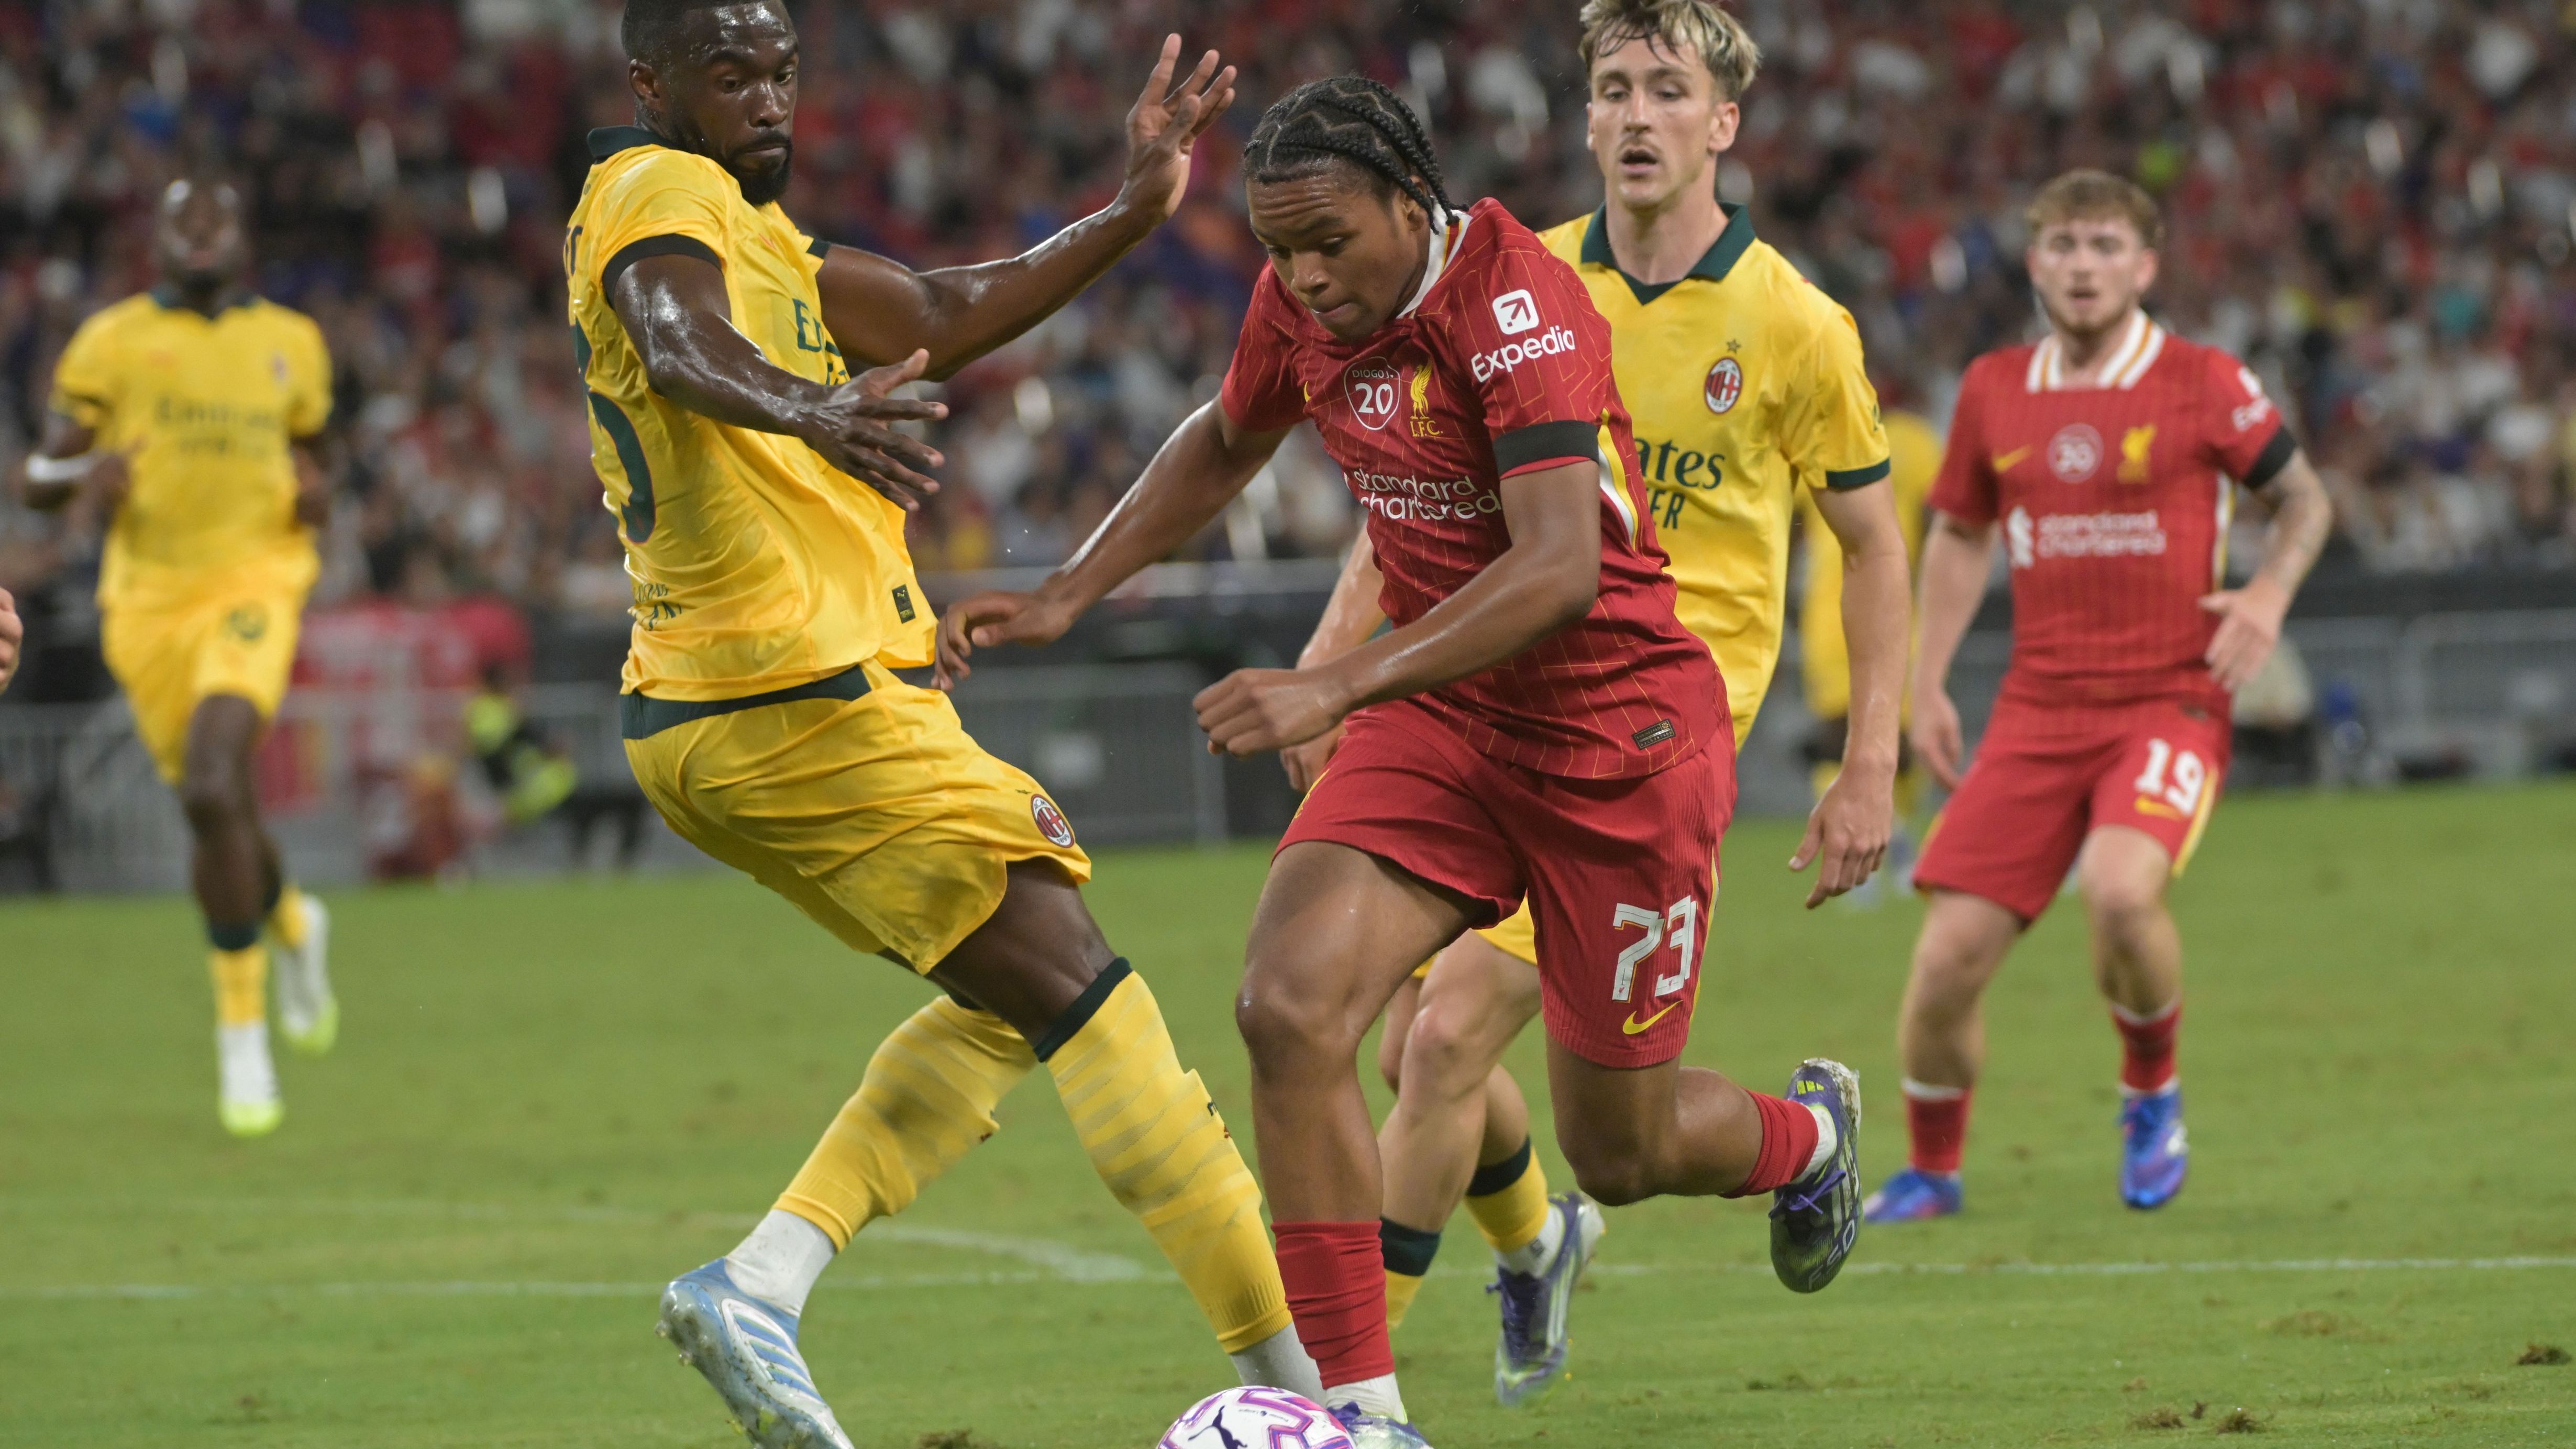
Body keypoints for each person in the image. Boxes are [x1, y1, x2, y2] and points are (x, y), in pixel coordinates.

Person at [938, 76, 1863, 1449]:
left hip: (1618, 742)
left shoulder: (1517, 304)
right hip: (1446, 720)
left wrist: (1334, 676)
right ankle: (1356, 1416)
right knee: (1286, 1005)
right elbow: (1222, 439)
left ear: (1408, 205)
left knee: (1618, 1145)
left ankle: (1809, 1142)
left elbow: (1555, 569)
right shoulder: (1302, 301)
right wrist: (1070, 587)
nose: (1304, 279)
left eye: (1329, 244)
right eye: (1278, 252)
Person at [571, 7, 1317, 1447]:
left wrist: (1124, 212)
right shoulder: (650, 196)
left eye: (781, 70)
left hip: (740, 707)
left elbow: (930, 308)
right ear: (651, 84)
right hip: (785, 692)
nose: (766, 99)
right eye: (729, 75)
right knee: (1090, 988)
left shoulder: (754, 231)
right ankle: (1324, 1396)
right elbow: (671, 337)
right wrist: (811, 407)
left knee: (1013, 991)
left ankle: (760, 1280)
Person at [1276, 1, 1910, 1406]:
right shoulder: (1514, 278)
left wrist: (1868, 762)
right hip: (1482, 707)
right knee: (1404, 1038)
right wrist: (1334, 657)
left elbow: (1870, 545)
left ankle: (1344, 1398)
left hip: (1639, 737)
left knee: (1447, 1046)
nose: (1632, 114)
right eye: (1610, 87)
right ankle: (1517, 1254)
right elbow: (1414, 492)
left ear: (1721, 124)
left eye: (1664, 90)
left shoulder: (1793, 324)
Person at [1863, 170, 2335, 1225]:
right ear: (2033, 264)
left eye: (2103, 246)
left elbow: (2303, 496)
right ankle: (1933, 1171)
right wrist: (1925, 679)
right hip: (2035, 712)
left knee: (2121, 893)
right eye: (2063, 246)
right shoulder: (1991, 388)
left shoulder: (2202, 380)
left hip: (2168, 698)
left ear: (2143, 266)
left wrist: (2264, 592)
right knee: (1942, 958)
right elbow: (1957, 533)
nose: (2082, 267)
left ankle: (2148, 1094)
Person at [19, 178, 338, 1138]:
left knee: (211, 782)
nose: (201, 237)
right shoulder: (111, 340)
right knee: (221, 807)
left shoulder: (294, 341)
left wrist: (316, 495)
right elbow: (38, 475)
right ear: (157, 239)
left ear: (242, 238)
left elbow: (313, 454)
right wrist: (87, 472)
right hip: (148, 603)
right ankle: (292, 925)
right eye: (183, 223)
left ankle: (240, 1034)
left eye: (219, 221)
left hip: (255, 581)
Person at [1794, 387, 1940, 904]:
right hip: (1852, 610)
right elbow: (1933, 520)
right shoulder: (1824, 429)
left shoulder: (1909, 439)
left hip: (1875, 608)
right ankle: (1883, 849)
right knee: (1848, 734)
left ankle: (1883, 840)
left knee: (1896, 740)